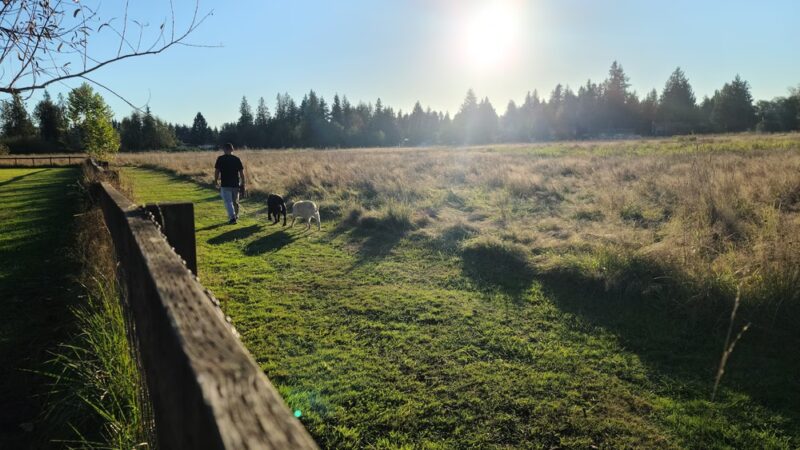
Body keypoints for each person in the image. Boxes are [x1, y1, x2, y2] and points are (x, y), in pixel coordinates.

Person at [214, 143, 245, 224]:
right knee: (235, 202)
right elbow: (241, 173)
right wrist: (243, 183)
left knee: (228, 202)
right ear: (232, 149)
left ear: (224, 149)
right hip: (235, 184)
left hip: (225, 184)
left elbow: (217, 171)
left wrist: (216, 181)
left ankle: (232, 218)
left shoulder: (220, 159)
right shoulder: (236, 159)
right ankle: (236, 216)